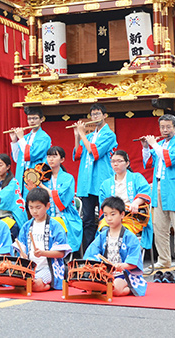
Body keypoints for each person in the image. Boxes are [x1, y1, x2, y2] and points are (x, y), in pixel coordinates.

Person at [141, 114, 175, 269]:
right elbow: (150, 163)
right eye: (162, 127)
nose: (165, 130)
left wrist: (154, 145)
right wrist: (145, 146)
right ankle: (163, 259)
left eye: (168, 127)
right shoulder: (160, 143)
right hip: (158, 187)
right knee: (159, 226)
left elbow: (169, 159)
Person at [72, 103, 118, 250]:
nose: (95, 117)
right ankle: (88, 253)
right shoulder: (90, 136)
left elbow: (94, 152)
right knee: (87, 220)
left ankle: (104, 251)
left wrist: (83, 134)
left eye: (98, 114)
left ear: (105, 116)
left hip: (101, 181)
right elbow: (78, 154)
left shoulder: (109, 134)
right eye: (92, 115)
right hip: (86, 183)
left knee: (104, 219)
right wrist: (77, 136)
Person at [25, 146, 82, 254]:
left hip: (65, 215)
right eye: (49, 156)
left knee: (52, 224)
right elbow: (38, 200)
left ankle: (56, 254)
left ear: (62, 159)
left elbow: (61, 200)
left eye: (54, 156)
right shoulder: (43, 178)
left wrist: (41, 186)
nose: (51, 159)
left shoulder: (68, 178)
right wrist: (33, 190)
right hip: (44, 215)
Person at [85, 196, 147, 296]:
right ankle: (104, 287)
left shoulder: (130, 237)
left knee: (114, 290)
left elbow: (134, 260)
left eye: (112, 214)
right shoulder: (102, 236)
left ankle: (131, 288)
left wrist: (123, 266)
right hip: (106, 273)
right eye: (105, 215)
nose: (109, 218)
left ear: (122, 214)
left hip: (124, 273)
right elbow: (92, 253)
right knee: (90, 289)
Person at [17, 187, 71, 292]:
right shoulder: (26, 226)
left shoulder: (56, 226)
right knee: (15, 282)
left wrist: (43, 253)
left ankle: (48, 285)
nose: (34, 211)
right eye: (31, 207)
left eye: (38, 207)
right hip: (30, 267)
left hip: (48, 267)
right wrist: (22, 254)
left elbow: (60, 253)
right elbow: (21, 248)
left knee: (33, 285)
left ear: (47, 206)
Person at [98, 150, 152, 250]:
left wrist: (136, 203)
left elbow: (145, 192)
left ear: (127, 163)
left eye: (119, 161)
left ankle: (125, 259)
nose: (115, 164)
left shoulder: (136, 177)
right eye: (113, 161)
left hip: (131, 217)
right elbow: (103, 204)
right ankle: (110, 259)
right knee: (105, 230)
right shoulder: (106, 184)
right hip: (112, 217)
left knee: (122, 233)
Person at [10, 106, 51, 198]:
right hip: (22, 177)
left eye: (35, 118)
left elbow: (31, 155)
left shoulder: (44, 137)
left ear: (41, 119)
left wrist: (20, 138)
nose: (32, 121)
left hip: (36, 176)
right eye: (29, 119)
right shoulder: (25, 138)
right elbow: (18, 159)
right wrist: (14, 141)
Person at [0, 154, 26, 239]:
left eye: (0, 165)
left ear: (8, 166)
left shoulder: (13, 182)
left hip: (7, 216)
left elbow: (4, 198)